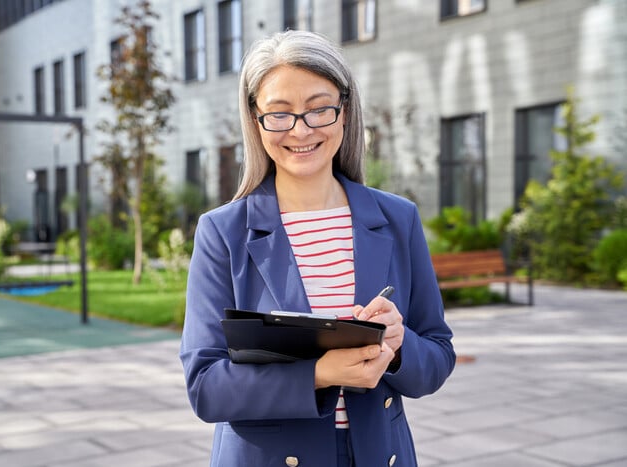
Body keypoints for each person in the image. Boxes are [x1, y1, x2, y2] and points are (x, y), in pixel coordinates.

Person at [180, 30, 455, 467]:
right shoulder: (222, 232)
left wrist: (401, 345)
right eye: (280, 113)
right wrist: (319, 374)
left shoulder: (398, 218)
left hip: (379, 453)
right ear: (256, 119)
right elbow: (206, 387)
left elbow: (438, 356)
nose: (300, 130)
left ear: (344, 112)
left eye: (318, 109)